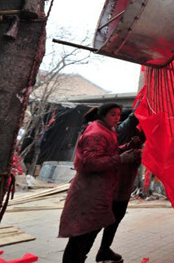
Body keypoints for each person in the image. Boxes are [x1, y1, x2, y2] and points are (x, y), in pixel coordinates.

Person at [59, 103, 140, 263]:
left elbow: (107, 152)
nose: (117, 118)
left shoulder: (106, 130)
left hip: (98, 191)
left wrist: (127, 147)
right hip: (88, 192)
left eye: (118, 115)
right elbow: (89, 162)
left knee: (87, 232)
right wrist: (120, 159)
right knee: (80, 236)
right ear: (103, 115)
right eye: (113, 115)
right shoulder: (97, 133)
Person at [95, 108, 145, 262]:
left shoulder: (128, 134)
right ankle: (83, 254)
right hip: (113, 186)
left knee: (115, 219)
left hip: (122, 185)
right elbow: (134, 117)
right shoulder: (122, 129)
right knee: (98, 223)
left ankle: (104, 250)